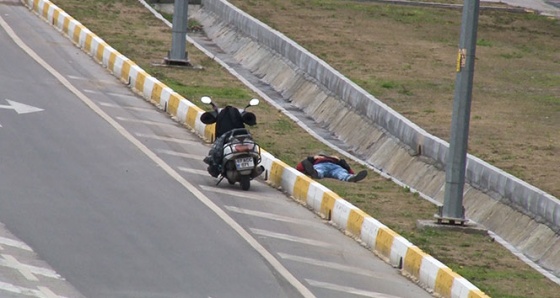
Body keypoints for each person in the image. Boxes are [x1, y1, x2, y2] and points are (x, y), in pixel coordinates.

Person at [296, 154, 367, 182]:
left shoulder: (335, 161)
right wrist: (312, 158)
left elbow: (349, 170)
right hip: (321, 165)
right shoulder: (316, 159)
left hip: (335, 167)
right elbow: (299, 167)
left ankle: (349, 178)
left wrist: (340, 161)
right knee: (319, 170)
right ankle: (316, 174)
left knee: (341, 173)